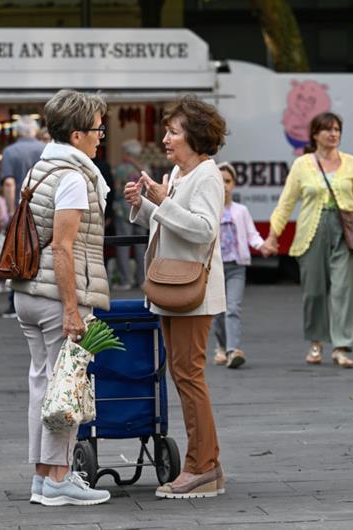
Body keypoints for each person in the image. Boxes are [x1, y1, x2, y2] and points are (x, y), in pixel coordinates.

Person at [11, 89, 112, 507]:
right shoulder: (73, 177)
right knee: (66, 385)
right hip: (58, 296)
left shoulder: (38, 171)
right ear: (75, 135)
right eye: (96, 129)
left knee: (43, 384)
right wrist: (73, 308)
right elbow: (63, 248)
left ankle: (41, 476)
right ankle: (59, 478)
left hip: (28, 291)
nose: (100, 136)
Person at [124, 95, 227, 499]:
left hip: (192, 292)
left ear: (195, 136)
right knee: (185, 376)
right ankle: (207, 465)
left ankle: (201, 466)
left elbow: (203, 229)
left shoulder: (206, 175)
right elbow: (171, 226)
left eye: (173, 132)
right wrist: (146, 204)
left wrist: (161, 202)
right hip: (173, 286)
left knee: (189, 377)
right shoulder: (182, 174)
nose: (166, 138)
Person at [262, 112, 353, 368]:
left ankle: (341, 346)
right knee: (314, 291)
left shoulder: (351, 163)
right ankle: (316, 342)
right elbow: (286, 203)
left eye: (337, 129)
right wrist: (273, 236)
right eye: (328, 129)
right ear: (315, 135)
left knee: (343, 289)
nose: (334, 134)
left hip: (345, 231)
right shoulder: (302, 164)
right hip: (312, 230)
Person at [211, 163, 268, 369]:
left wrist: (262, 246)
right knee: (217, 311)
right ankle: (221, 345)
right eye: (220, 181)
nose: (224, 186)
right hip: (214, 268)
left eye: (228, 181)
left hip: (236, 266)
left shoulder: (241, 211)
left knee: (233, 307)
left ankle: (233, 350)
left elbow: (252, 234)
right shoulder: (209, 209)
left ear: (234, 184)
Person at [0, 115, 45, 317]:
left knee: (17, 252)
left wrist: (11, 210)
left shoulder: (9, 152)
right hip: (43, 207)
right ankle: (40, 296)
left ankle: (14, 300)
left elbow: (9, 183)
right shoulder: (44, 149)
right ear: (34, 130)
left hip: (21, 208)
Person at [112, 139, 148, 290]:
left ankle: (125, 280)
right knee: (141, 245)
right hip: (141, 208)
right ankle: (142, 280)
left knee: (123, 245)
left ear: (126, 153)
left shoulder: (121, 169)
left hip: (124, 209)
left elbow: (117, 190)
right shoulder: (145, 169)